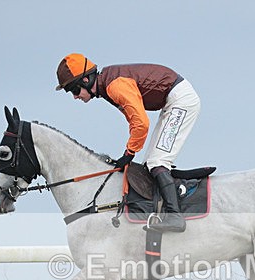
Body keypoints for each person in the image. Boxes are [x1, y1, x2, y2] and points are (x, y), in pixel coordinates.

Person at [55, 53, 200, 233]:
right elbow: (135, 122)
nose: (75, 97)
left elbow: (141, 123)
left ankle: (175, 217)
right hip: (172, 101)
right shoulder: (107, 86)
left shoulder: (114, 86)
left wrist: (129, 153)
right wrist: (129, 152)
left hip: (181, 101)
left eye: (74, 90)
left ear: (85, 80)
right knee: (150, 164)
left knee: (157, 162)